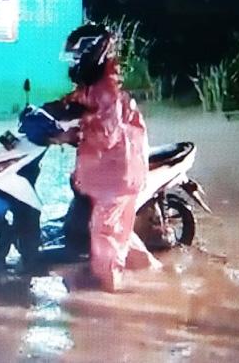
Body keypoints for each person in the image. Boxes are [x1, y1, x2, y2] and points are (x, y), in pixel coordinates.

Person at [48, 23, 162, 291]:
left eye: (77, 57)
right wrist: (51, 112)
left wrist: (69, 135)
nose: (73, 63)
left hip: (115, 175)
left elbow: (106, 134)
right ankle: (156, 275)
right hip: (109, 172)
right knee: (117, 231)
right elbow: (75, 104)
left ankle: (110, 295)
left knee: (105, 236)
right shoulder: (95, 85)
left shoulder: (106, 90)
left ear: (91, 55)